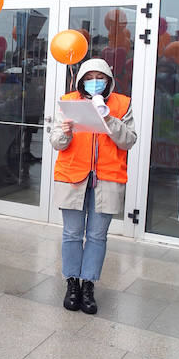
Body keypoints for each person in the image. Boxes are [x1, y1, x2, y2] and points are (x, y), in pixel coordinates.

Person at [50, 57, 137, 314]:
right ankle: (72, 284)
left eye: (99, 78)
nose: (94, 82)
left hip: (107, 179)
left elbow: (129, 141)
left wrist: (109, 119)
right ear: (80, 81)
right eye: (88, 78)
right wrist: (65, 132)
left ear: (108, 81)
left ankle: (88, 284)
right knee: (72, 234)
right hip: (72, 177)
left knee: (97, 236)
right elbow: (56, 142)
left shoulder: (122, 104)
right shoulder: (69, 102)